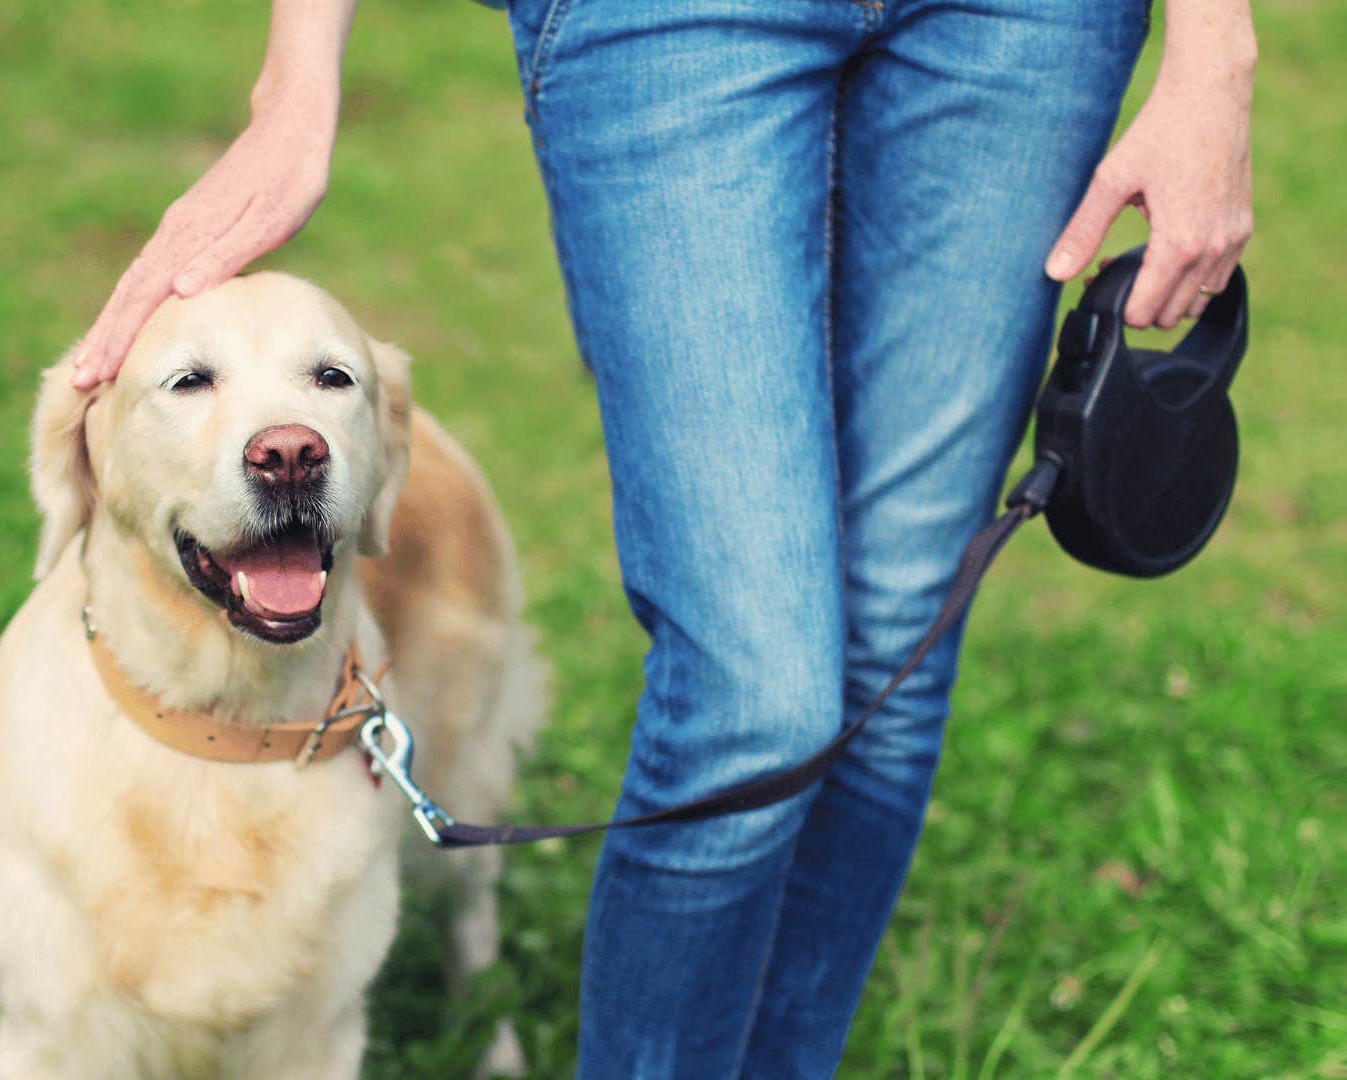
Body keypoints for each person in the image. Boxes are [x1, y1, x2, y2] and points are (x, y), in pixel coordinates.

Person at [67, 0, 1256, 1074]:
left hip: (1023, 27)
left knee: (893, 665)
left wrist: (1216, 49)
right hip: (672, 22)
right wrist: (297, 77)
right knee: (759, 701)